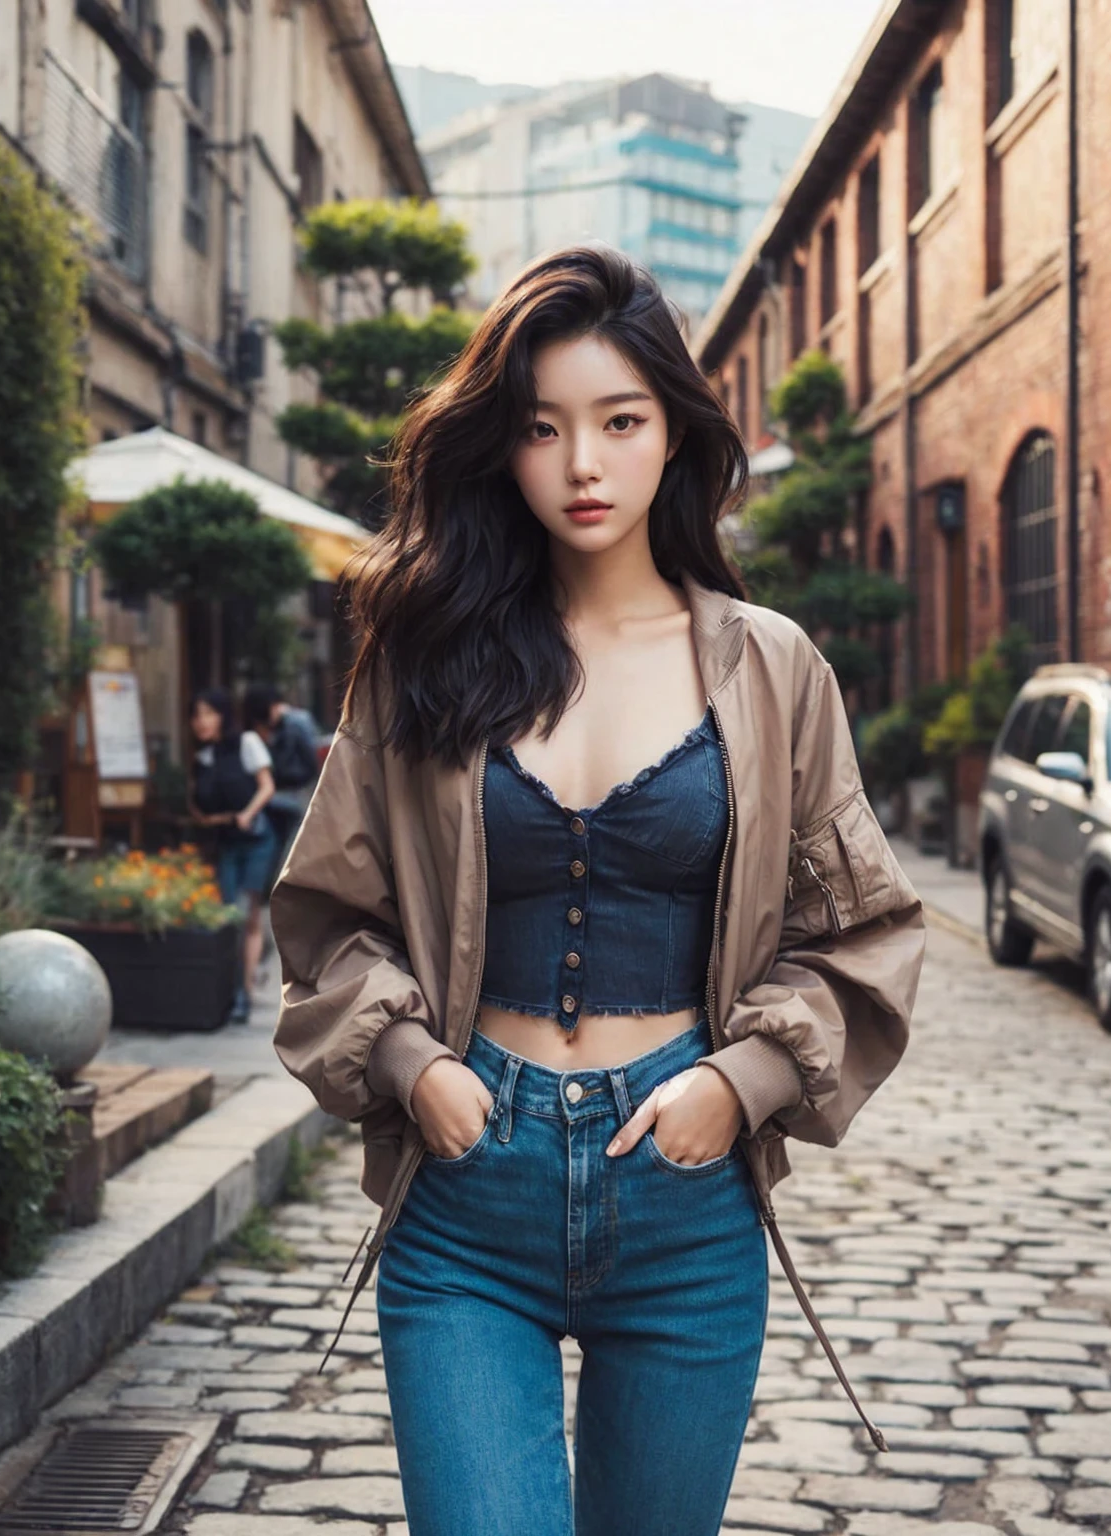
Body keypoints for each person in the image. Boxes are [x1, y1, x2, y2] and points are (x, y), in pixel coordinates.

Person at [270, 246, 926, 1536]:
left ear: (674, 436)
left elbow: (863, 928)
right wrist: (413, 1066)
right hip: (467, 1197)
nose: (583, 465)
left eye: (620, 422)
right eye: (542, 428)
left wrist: (735, 1087)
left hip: (686, 1199)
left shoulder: (772, 669)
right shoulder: (421, 656)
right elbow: (328, 915)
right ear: (499, 449)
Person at [188, 686, 276, 1023]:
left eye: (208, 713)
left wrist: (247, 813)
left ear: (223, 716)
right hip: (226, 841)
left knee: (247, 912)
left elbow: (267, 786)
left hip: (255, 840)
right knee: (227, 914)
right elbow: (197, 803)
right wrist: (207, 818)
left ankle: (245, 992)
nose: (201, 721)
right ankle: (228, 988)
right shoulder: (203, 758)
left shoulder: (247, 743)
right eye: (196, 715)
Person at [245, 681, 320, 863]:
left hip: (298, 793)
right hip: (278, 795)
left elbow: (312, 760)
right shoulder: (265, 726)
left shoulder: (296, 723)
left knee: (290, 848)